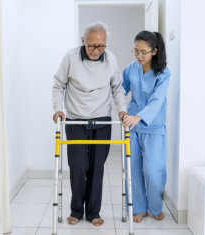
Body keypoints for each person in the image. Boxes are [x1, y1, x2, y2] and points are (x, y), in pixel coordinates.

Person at [52, 21, 127, 226]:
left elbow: (118, 88)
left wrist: (122, 110)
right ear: (83, 41)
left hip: (102, 118)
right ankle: (76, 210)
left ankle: (93, 212)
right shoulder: (70, 57)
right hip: (76, 118)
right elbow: (58, 85)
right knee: (78, 165)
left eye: (101, 46)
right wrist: (58, 108)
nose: (96, 50)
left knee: (97, 166)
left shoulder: (110, 59)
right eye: (92, 45)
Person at [122, 31, 170, 223]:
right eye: (136, 51)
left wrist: (139, 116)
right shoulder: (130, 69)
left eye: (144, 52)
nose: (139, 56)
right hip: (132, 127)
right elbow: (120, 90)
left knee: (153, 170)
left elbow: (158, 100)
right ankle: (139, 208)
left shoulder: (164, 73)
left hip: (153, 126)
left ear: (154, 51)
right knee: (132, 169)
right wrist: (120, 109)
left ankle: (155, 206)